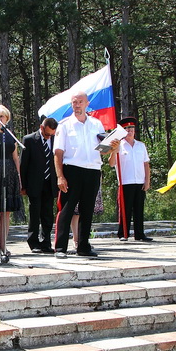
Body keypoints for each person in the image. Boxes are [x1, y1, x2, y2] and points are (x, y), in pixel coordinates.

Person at [52, 91, 106, 258]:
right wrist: (60, 176)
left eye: (80, 102)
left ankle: (83, 246)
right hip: (72, 170)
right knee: (66, 209)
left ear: (87, 104)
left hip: (93, 170)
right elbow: (58, 153)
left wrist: (114, 145)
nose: (77, 105)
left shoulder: (97, 124)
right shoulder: (64, 125)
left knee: (87, 210)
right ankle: (60, 248)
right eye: (74, 102)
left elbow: (104, 150)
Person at [109, 117, 152, 242]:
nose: (130, 131)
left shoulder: (141, 146)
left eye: (132, 128)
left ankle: (140, 234)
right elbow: (111, 163)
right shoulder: (119, 145)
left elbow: (146, 164)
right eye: (127, 129)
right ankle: (123, 233)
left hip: (139, 181)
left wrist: (147, 181)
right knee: (125, 209)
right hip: (126, 182)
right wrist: (114, 151)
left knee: (139, 209)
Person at [20, 117, 58, 254]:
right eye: (47, 134)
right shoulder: (29, 140)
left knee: (48, 214)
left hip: (50, 183)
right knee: (35, 213)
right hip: (34, 183)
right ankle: (33, 242)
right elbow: (23, 164)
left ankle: (46, 243)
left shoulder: (55, 140)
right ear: (41, 128)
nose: (49, 137)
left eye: (51, 135)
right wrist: (23, 185)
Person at [0, 104, 23, 253]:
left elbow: (15, 157)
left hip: (9, 172)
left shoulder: (10, 134)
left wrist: (19, 176)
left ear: (7, 118)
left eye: (2, 116)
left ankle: (3, 245)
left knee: (6, 210)